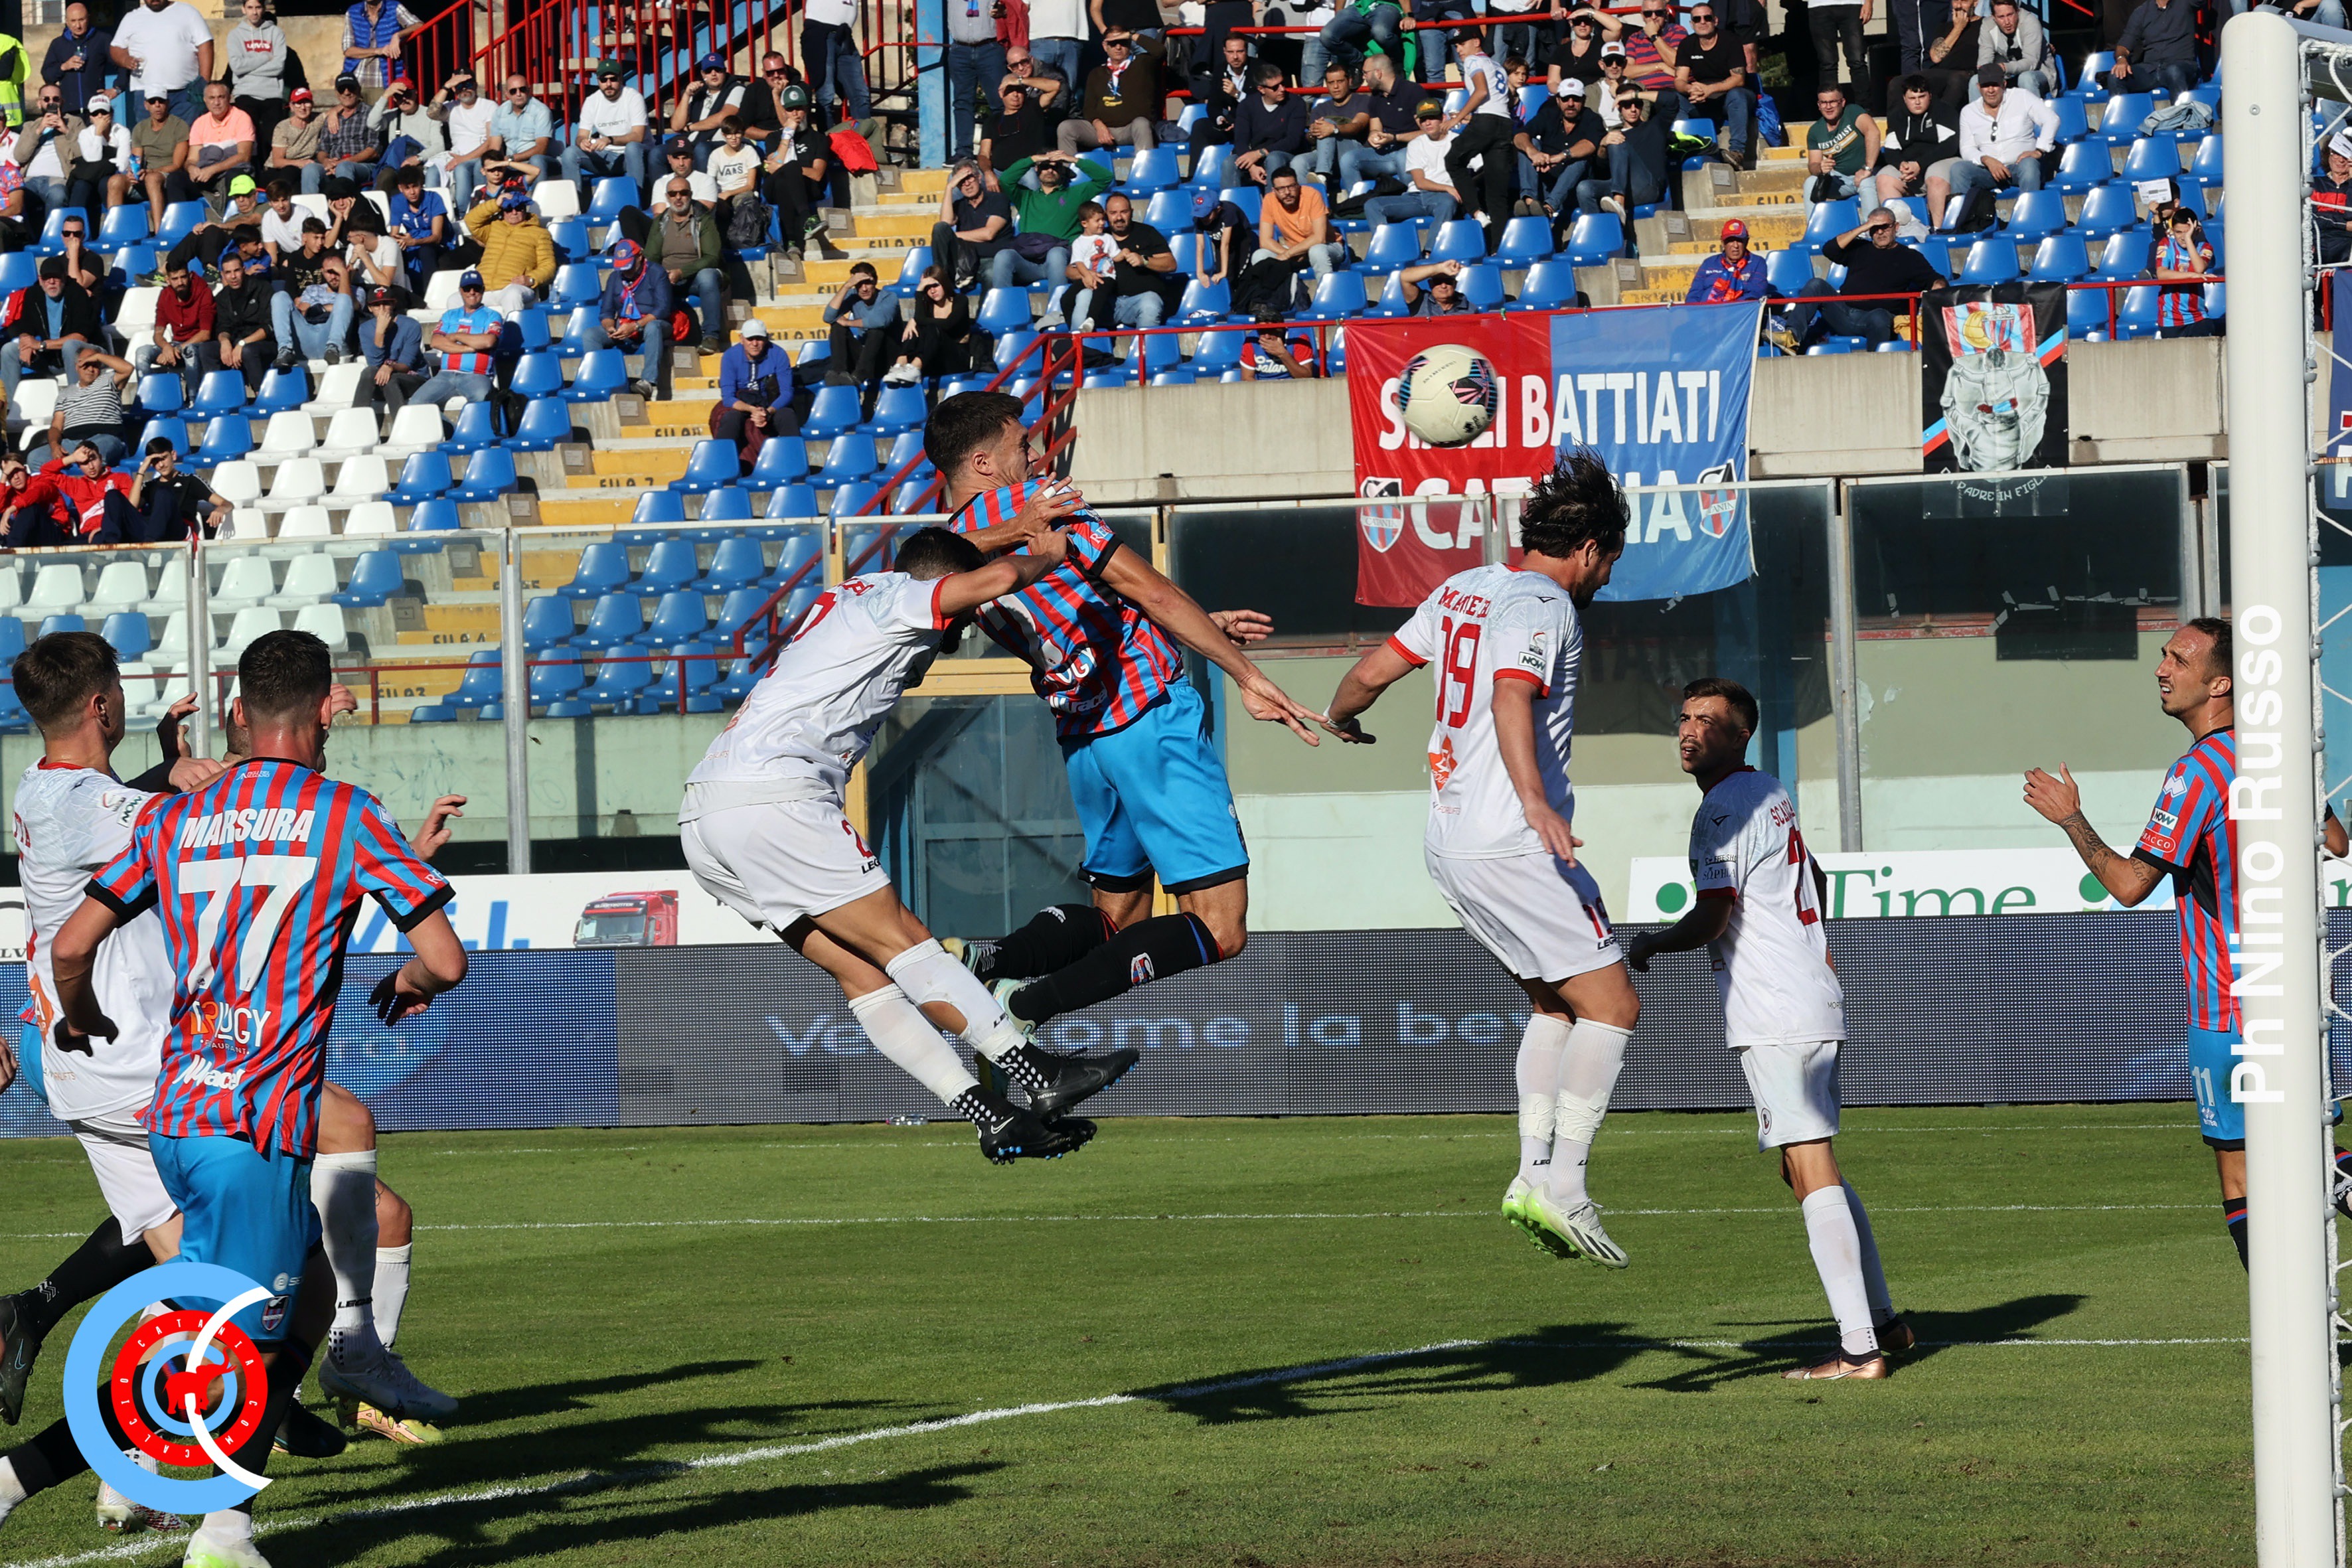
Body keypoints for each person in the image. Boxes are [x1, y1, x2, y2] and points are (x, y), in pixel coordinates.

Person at [0, 629, 468, 1568]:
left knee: (281, 1301)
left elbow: (75, 939)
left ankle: (201, 1505)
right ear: (322, 707)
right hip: (242, 1114)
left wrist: (75, 1010)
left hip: (176, 1100)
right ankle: (128, 1505)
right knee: (222, 1347)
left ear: (238, 712)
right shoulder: (338, 814)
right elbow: (444, 958)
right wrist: (412, 965)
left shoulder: (174, 823)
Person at [681, 525, 1101, 1160]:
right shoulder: (904, 600)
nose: (959, 630)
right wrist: (1050, 552)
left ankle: (992, 1117)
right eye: (960, 616)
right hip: (777, 797)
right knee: (906, 942)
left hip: (706, 813)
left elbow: (941, 551)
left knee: (863, 971)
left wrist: (1009, 530)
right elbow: (993, 578)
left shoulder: (860, 591)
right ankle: (1040, 1073)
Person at [1321, 449, 1638, 1267]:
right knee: (1613, 1005)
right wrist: (1535, 801)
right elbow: (1510, 693)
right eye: (1610, 561)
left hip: (1450, 840)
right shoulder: (1543, 604)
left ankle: (1532, 1173)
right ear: (1590, 546)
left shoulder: (1462, 588)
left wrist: (1341, 716)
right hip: (1511, 840)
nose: (1607, 578)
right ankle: (1565, 1185)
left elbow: (1370, 673)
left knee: (1555, 1004)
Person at [931, 391, 1330, 1040]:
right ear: (983, 462)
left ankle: (991, 959)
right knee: (1221, 927)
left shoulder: (948, 558)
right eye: (1021, 445)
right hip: (1149, 719)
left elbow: (1075, 613)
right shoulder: (1039, 505)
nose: (1034, 454)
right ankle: (1025, 1009)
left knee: (1120, 919)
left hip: (1085, 740)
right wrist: (1248, 675)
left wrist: (1205, 626)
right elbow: (1149, 590)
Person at [1624, 678, 1909, 1380]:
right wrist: (1815, 947)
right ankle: (1883, 1322)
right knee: (1806, 1165)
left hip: (1776, 1008)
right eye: (1684, 718)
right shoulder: (1768, 792)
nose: (1689, 731)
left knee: (1808, 1163)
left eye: (1708, 721)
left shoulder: (1723, 810)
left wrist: (1651, 944)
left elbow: (1712, 915)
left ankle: (1859, 1350)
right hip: (1803, 997)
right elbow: (1815, 875)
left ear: (1740, 734)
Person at [2023, 620, 2315, 1269]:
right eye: (2163, 656)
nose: (2161, 669)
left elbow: (2129, 885)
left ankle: (2281, 1319)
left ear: (2220, 683)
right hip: (2293, 996)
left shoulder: (2197, 772)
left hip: (2229, 1005)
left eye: (2178, 659)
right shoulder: (2282, 752)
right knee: (2310, 1150)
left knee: (2242, 1172)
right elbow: (2336, 841)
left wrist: (2070, 817)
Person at [1769, 207, 1939, 349]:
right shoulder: (1859, 248)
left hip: (1877, 317)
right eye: (1874, 228)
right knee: (1816, 284)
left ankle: (1877, 363)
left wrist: (1938, 287)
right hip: (1844, 312)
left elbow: (1934, 280)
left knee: (1879, 316)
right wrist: (1864, 227)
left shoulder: (1909, 257)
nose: (1880, 232)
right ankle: (1791, 337)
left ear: (1896, 227)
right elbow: (1829, 250)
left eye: (1885, 227)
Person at [996, 150, 1109, 309]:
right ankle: (1004, 312)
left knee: (1056, 253)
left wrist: (1073, 160)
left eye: (1055, 167)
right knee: (1003, 255)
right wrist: (1033, 159)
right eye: (1045, 166)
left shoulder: (1075, 194)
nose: (1050, 170)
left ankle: (1057, 312)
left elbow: (1105, 178)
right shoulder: (1026, 197)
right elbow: (1006, 180)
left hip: (1061, 261)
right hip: (1030, 262)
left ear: (1062, 171)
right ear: (1037, 169)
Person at [1946, 64, 2056, 226]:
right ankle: (1963, 224)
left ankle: (2029, 220)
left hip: (2019, 166)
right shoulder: (1969, 112)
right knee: (1958, 169)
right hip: (1988, 170)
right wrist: (1986, 160)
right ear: (1978, 87)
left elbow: (2051, 119)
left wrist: (2040, 150)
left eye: (1995, 85)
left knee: (2030, 166)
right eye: (1986, 86)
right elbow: (1967, 148)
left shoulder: (2022, 97)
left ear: (2004, 84)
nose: (1990, 90)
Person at [1439, 31, 1514, 246]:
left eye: (1462, 44)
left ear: (1476, 42)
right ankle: (1498, 248)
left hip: (1486, 120)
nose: (1459, 50)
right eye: (1456, 46)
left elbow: (1481, 92)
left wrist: (1458, 118)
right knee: (1497, 194)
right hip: (1504, 123)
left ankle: (1475, 211)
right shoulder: (1497, 65)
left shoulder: (1474, 61)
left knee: (1453, 160)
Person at [642, 179, 723, 355]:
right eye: (673, 194)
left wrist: (682, 272)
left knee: (708, 277)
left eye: (683, 193)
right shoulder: (661, 222)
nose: (678, 198)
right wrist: (661, 275)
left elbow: (712, 258)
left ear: (690, 195)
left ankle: (711, 336)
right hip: (668, 279)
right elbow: (651, 257)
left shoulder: (704, 220)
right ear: (667, 197)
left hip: (696, 278)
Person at [0, 258, 100, 401]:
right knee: (9, 350)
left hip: (84, 356)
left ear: (64, 278)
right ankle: (11, 408)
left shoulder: (77, 293)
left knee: (70, 346)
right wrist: (25, 341)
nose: (51, 282)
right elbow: (24, 325)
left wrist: (41, 345)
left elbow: (81, 337)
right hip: (50, 358)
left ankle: (78, 403)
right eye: (47, 278)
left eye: (56, 277)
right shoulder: (33, 294)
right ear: (41, 280)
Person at [1575, 88, 1682, 218]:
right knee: (1585, 188)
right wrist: (1603, 145)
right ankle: (1602, 227)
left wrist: (1633, 95)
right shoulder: (1613, 135)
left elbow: (1672, 100)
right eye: (1627, 105)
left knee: (1617, 141)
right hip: (1623, 187)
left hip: (1648, 187)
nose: (1633, 109)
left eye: (1637, 104)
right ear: (1619, 107)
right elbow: (1602, 167)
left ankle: (1619, 202)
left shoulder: (1655, 126)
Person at [1869, 74, 1961, 225]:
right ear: (1905, 99)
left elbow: (1949, 146)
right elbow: (1891, 149)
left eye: (1922, 97)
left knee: (1935, 177)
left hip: (1941, 160)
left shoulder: (1944, 111)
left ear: (1930, 96)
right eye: (1912, 98)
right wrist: (1902, 165)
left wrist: (1919, 164)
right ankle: (1901, 229)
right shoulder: (1897, 116)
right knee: (1884, 178)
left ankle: (1939, 229)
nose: (1917, 102)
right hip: (1910, 167)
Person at [589, 237, 672, 401]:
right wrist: (610, 327)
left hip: (652, 322)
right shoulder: (615, 278)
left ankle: (648, 382)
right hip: (624, 324)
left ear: (639, 257)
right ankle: (601, 380)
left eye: (629, 266)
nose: (626, 272)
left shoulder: (656, 273)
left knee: (653, 327)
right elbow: (606, 312)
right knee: (591, 335)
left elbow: (663, 309)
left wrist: (636, 326)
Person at [1672, 3, 1751, 172]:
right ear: (1692, 24)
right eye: (1697, 19)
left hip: (1730, 94)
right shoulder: (1687, 44)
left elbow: (1739, 79)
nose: (1703, 22)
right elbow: (1680, 80)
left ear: (1715, 21)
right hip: (1702, 96)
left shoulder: (1731, 41)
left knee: (1738, 95)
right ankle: (1683, 148)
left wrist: (1710, 89)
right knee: (1675, 99)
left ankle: (1737, 152)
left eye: (1707, 18)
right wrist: (1690, 89)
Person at [110, 0, 214, 126]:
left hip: (185, 94)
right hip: (146, 95)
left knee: (186, 136)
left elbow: (205, 45)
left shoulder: (188, 13)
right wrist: (125, 59)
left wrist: (204, 83)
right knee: (149, 137)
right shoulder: (131, 18)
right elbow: (116, 47)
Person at [1059, 31, 1160, 158]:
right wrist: (1098, 125)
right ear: (1105, 46)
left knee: (1142, 124)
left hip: (1130, 130)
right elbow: (1089, 108)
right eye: (1113, 43)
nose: (1118, 47)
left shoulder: (1142, 65)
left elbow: (1160, 51)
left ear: (1129, 44)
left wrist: (1130, 35)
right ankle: (1069, 169)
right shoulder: (1096, 73)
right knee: (1066, 127)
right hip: (1102, 130)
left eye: (1123, 43)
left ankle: (1146, 167)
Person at [759, 85, 830, 260]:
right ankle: (807, 219)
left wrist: (792, 170)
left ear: (806, 110)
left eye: (799, 108)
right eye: (790, 110)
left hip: (807, 187)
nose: (796, 114)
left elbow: (817, 174)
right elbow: (773, 168)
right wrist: (787, 135)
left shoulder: (819, 139)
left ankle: (791, 242)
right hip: (772, 186)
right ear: (784, 112)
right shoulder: (773, 138)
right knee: (789, 169)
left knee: (787, 178)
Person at [33, 346, 134, 469]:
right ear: (77, 367)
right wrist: (54, 446)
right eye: (86, 364)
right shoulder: (65, 393)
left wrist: (97, 356)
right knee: (35, 458)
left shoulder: (109, 380)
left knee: (94, 454)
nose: (91, 369)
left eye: (95, 365)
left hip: (104, 437)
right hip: (72, 442)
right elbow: (56, 427)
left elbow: (128, 368)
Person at [270, 218, 354, 366]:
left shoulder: (329, 257)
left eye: (323, 238)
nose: (320, 242)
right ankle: (285, 349)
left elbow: (348, 303)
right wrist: (303, 305)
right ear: (304, 238)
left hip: (330, 329)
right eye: (316, 238)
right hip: (305, 326)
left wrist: (322, 307)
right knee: (279, 296)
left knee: (344, 299)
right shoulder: (296, 260)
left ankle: (333, 347)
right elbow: (293, 295)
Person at [882, 265, 982, 387]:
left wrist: (916, 320)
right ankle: (900, 364)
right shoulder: (928, 306)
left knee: (930, 327)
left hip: (957, 360)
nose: (932, 291)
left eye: (935, 285)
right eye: (927, 288)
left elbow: (948, 324)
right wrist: (916, 317)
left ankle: (915, 367)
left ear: (944, 283)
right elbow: (920, 319)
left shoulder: (960, 300)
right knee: (914, 329)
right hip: (934, 360)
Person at [1364, 99, 1457, 228]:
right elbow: (1420, 182)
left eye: (1432, 118)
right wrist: (1447, 188)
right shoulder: (1415, 144)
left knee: (1447, 203)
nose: (1428, 123)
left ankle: (1433, 242)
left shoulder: (1458, 141)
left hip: (1443, 197)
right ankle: (1388, 241)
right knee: (1373, 205)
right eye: (1423, 120)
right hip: (1415, 197)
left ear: (1443, 118)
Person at [563, 58, 648, 196]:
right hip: (606, 156)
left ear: (620, 79)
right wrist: (582, 142)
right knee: (570, 153)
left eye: (613, 79)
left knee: (632, 148)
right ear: (598, 81)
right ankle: (572, 203)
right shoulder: (592, 101)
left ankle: (635, 199)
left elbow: (638, 136)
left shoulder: (633, 97)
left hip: (632, 156)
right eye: (604, 80)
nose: (608, 84)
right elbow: (581, 135)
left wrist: (609, 140)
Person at [1515, 76, 1597, 218]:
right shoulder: (1548, 115)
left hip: (1574, 191)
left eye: (1576, 99)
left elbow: (1590, 145)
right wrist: (1533, 153)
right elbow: (1519, 136)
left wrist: (1560, 157)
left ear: (1583, 100)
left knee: (1581, 158)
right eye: (1565, 99)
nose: (1570, 104)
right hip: (1547, 184)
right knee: (1529, 144)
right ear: (1558, 100)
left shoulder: (1592, 119)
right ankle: (1529, 203)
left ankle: (1549, 208)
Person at [463, 188, 554, 315]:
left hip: (514, 286)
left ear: (525, 210)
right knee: (454, 299)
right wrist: (495, 204)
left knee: (512, 294)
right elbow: (470, 220)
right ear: (503, 211)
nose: (514, 212)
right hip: (483, 288)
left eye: (519, 208)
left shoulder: (540, 233)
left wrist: (531, 279)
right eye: (509, 209)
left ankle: (516, 328)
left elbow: (548, 265)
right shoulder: (494, 227)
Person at [712, 315, 790, 461]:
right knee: (730, 419)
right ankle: (722, 463)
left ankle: (792, 462)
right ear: (742, 339)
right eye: (750, 339)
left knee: (787, 415)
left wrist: (768, 412)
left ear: (766, 339)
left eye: (759, 339)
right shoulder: (730, 356)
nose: (755, 344)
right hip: (742, 402)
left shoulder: (778, 354)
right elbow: (728, 397)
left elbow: (786, 393)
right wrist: (752, 410)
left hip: (768, 402)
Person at [1342, 51, 1425, 188]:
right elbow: (1375, 128)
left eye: (1366, 73)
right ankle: (1357, 199)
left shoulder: (1412, 91)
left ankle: (1414, 196)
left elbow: (1426, 132)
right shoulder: (1376, 97)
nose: (1363, 77)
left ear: (1378, 73)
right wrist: (1374, 136)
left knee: (1402, 157)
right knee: (1348, 159)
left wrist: (1395, 138)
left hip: (1413, 151)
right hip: (1388, 152)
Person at [163, 171, 267, 277]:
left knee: (212, 229)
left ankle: (212, 271)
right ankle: (166, 269)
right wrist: (201, 228)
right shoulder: (232, 218)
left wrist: (217, 226)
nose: (241, 200)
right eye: (237, 196)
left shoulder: (265, 208)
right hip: (229, 253)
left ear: (255, 195)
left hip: (251, 252)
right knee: (197, 235)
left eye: (245, 195)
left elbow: (251, 220)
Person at [1255, 165, 1344, 287]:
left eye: (1291, 187)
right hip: (1294, 250)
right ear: (1274, 190)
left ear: (1298, 186)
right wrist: (1291, 253)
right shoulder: (1269, 200)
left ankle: (1328, 293)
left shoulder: (1312, 195)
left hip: (1329, 246)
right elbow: (1265, 241)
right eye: (1281, 189)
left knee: (1317, 251)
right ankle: (1271, 296)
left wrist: (1288, 254)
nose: (1287, 192)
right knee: (1260, 255)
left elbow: (1319, 238)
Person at [125, 437, 230, 540]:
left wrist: (220, 509)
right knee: (116, 498)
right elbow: (131, 508)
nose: (161, 465)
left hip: (179, 529)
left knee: (163, 493)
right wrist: (141, 471)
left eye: (164, 458)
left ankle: (150, 543)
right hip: (156, 529)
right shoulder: (150, 485)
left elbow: (226, 504)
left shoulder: (190, 480)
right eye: (155, 461)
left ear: (173, 455)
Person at [823, 260, 901, 399]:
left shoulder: (889, 297)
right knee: (837, 326)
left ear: (875, 282)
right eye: (859, 284)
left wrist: (849, 323)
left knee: (876, 331)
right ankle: (839, 373)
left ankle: (859, 376)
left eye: (868, 283)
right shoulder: (854, 296)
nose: (864, 289)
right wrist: (846, 286)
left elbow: (880, 321)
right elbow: (828, 317)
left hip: (886, 357)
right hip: (866, 356)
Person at [138, 258, 214, 396]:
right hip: (176, 344)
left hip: (198, 345)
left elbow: (205, 334)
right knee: (142, 353)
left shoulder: (204, 292)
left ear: (189, 276)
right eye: (175, 279)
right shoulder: (165, 296)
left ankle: (194, 398)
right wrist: (166, 347)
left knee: (190, 350)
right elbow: (158, 333)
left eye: (183, 277)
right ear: (168, 280)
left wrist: (177, 349)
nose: (180, 282)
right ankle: (146, 398)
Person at [931, 157, 1011, 289]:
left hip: (991, 259)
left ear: (979, 178)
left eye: (969, 178)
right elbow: (945, 224)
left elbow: (989, 234)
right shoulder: (959, 205)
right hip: (964, 261)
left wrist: (952, 236)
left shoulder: (998, 199)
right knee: (939, 228)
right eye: (961, 182)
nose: (967, 184)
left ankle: (986, 305)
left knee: (991, 273)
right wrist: (949, 187)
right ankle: (942, 276)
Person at [353, 282, 424, 426]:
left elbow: (406, 365)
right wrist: (380, 332)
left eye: (386, 304)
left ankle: (402, 427)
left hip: (412, 378)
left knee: (391, 380)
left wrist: (390, 366)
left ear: (393, 304)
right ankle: (356, 425)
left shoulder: (411, 325)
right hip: (381, 380)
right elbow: (374, 364)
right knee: (368, 372)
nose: (382, 309)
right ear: (370, 308)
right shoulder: (365, 329)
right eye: (376, 305)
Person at [224, 0, 291, 152]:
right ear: (243, 9)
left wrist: (248, 69)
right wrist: (266, 57)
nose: (254, 12)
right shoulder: (235, 35)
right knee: (248, 141)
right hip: (245, 94)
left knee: (271, 142)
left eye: (258, 7)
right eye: (250, 8)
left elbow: (278, 67)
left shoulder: (276, 33)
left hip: (272, 94)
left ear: (264, 9)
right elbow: (237, 67)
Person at [174, 79, 256, 204]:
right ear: (205, 100)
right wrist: (191, 168)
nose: (216, 103)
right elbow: (192, 159)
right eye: (212, 98)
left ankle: (232, 215)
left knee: (235, 176)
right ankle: (182, 215)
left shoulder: (242, 118)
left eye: (221, 97)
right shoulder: (200, 123)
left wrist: (212, 170)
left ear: (229, 98)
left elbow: (244, 156)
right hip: (206, 175)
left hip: (231, 172)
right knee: (176, 179)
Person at [1230, 60, 1309, 186]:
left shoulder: (1296, 103)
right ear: (1261, 89)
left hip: (1284, 154)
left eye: (1283, 83)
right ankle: (1231, 198)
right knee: (1230, 163)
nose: (1282, 89)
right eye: (1275, 87)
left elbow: (1293, 140)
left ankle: (1272, 198)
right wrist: (1251, 165)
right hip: (1255, 158)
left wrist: (1260, 153)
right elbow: (1240, 140)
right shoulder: (1247, 105)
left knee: (1274, 158)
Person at [1575, 1, 1684, 93]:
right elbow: (1626, 71)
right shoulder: (1635, 38)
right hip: (1641, 94)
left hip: (1671, 91)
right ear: (1642, 15)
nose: (1653, 17)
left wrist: (1654, 36)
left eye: (1659, 13)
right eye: (1648, 14)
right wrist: (1660, 66)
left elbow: (1676, 62)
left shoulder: (1677, 31)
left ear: (1666, 14)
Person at [209, 248, 277, 393]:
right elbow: (223, 327)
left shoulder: (262, 288)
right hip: (237, 343)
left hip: (265, 344)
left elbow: (269, 326)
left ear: (244, 270)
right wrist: (225, 341)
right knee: (206, 350)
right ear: (222, 275)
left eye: (237, 271)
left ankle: (261, 395)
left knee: (248, 350)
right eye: (228, 273)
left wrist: (243, 343)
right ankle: (218, 394)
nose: (233, 276)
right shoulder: (222, 297)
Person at [1803, 80, 1879, 208]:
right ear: (1819, 105)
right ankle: (1815, 221)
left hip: (1868, 174)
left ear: (1842, 102)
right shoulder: (1815, 131)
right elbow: (1813, 165)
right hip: (1840, 180)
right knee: (1811, 182)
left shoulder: (1853, 112)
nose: (1828, 107)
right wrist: (1820, 168)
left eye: (1833, 102)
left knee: (1867, 185)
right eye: (1824, 103)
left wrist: (1867, 168)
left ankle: (1871, 222)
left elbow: (1873, 132)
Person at [9, 87, 84, 218]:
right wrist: (39, 130)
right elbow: (20, 156)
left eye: (56, 99)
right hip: (29, 179)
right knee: (16, 198)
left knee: (58, 196)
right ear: (39, 103)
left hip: (57, 179)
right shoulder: (30, 126)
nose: (51, 103)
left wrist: (66, 131)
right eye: (46, 99)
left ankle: (52, 231)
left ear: (62, 102)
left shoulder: (74, 123)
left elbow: (83, 154)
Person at [2148, 206, 2220, 338]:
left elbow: (2199, 268)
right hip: (2170, 318)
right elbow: (2162, 274)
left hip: (2198, 316)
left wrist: (2189, 240)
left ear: (2197, 231)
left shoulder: (2205, 247)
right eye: (2178, 232)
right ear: (2172, 231)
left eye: (2187, 232)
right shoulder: (2166, 244)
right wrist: (2193, 276)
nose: (2182, 237)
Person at [42, 5, 118, 126]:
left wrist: (116, 89)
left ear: (88, 19)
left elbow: (122, 64)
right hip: (69, 112)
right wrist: (64, 66)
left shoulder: (102, 39)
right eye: (73, 21)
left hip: (96, 110)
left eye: (81, 20)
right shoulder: (58, 44)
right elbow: (47, 75)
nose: (78, 26)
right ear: (67, 22)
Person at [802, 0, 871, 127]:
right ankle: (827, 138)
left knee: (861, 95)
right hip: (820, 33)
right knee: (826, 96)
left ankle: (862, 137)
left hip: (845, 36)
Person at [368, 73, 441, 192]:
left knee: (409, 177)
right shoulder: (392, 116)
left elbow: (439, 146)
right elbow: (372, 124)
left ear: (415, 93)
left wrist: (418, 158)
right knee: (385, 177)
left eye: (408, 95)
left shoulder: (430, 115)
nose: (404, 100)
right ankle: (379, 205)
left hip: (421, 163)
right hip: (396, 164)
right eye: (398, 96)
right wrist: (385, 95)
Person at [432, 74, 493, 216]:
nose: (464, 89)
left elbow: (491, 142)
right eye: (459, 86)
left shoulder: (489, 106)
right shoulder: (451, 107)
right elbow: (431, 113)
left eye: (468, 85)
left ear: (476, 85)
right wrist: (446, 86)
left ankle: (463, 214)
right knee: (433, 172)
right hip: (455, 155)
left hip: (479, 155)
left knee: (462, 169)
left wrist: (462, 159)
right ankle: (435, 215)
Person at [1185, 36, 1253, 165]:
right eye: (1230, 52)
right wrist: (1220, 119)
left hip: (1253, 125)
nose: (1235, 57)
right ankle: (1195, 173)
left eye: (1240, 51)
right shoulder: (1220, 70)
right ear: (1224, 52)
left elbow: (1261, 104)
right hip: (1230, 125)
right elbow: (1213, 104)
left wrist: (1237, 94)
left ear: (1246, 51)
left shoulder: (1259, 69)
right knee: (1200, 126)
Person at [2112, 0, 2198, 100]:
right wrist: (2121, 59)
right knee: (2116, 77)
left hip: (2181, 65)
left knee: (2174, 71)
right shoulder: (2142, 12)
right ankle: (2124, 110)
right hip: (2151, 69)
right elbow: (2124, 45)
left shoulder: (2186, 3)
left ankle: (2181, 110)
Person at [128, 90, 188, 232]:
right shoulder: (140, 128)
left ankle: (159, 231)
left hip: (167, 174)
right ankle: (119, 231)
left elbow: (177, 165)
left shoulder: (179, 125)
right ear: (146, 105)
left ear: (167, 103)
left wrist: (151, 171)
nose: (157, 105)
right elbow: (136, 159)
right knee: (115, 182)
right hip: (146, 174)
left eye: (161, 101)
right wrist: (133, 172)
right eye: (152, 102)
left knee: (152, 179)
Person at [386, 163, 447, 293]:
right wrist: (401, 241)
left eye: (415, 186)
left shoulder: (434, 199)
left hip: (439, 244)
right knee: (397, 251)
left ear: (421, 185)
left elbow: (437, 237)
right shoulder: (397, 201)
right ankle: (402, 294)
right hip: (413, 241)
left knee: (425, 251)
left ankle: (431, 294)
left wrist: (414, 242)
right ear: (400, 189)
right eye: (407, 188)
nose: (412, 192)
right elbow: (394, 234)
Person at [1305, 62, 1371, 183]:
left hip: (1355, 151)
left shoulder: (1363, 101)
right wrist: (1313, 133)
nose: (1336, 87)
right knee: (1299, 162)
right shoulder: (1320, 108)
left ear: (1349, 81)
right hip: (1326, 153)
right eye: (1331, 83)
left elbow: (1358, 126)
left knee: (1327, 125)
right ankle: (1312, 193)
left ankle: (1322, 175)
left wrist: (1334, 129)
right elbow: (1311, 139)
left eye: (1340, 81)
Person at [483, 73, 554, 185]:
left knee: (537, 160)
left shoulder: (541, 111)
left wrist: (511, 159)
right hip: (509, 163)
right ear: (507, 94)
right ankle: (486, 195)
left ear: (529, 90)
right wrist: (492, 163)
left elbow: (542, 148)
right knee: (482, 166)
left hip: (534, 161)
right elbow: (494, 147)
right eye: (513, 91)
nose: (519, 94)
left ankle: (539, 196)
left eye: (522, 89)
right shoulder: (500, 112)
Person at [1976, 0, 2055, 98]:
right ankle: (1983, 109)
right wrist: (1986, 69)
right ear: (1994, 18)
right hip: (2006, 75)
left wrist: (2004, 68)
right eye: (2001, 17)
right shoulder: (1987, 25)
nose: (2007, 22)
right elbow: (1984, 60)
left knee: (2026, 78)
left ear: (2017, 11)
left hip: (2040, 73)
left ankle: (2033, 108)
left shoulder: (2030, 22)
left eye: (2010, 15)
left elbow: (2031, 63)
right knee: (1976, 80)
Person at [341, 0, 419, 96]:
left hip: (383, 81)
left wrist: (398, 35)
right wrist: (379, 51)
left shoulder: (394, 7)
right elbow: (348, 51)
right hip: (356, 79)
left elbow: (418, 25)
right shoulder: (353, 11)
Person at [316, 73, 381, 187]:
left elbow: (374, 150)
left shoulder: (370, 114)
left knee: (344, 167)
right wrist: (326, 161)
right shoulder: (332, 118)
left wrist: (343, 162)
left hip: (362, 165)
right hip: (333, 165)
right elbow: (322, 149)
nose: (347, 93)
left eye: (351, 88)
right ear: (337, 94)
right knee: (311, 169)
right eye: (342, 89)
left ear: (358, 90)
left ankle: (346, 198)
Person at [982, 70, 1055, 171]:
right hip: (1000, 172)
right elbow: (984, 154)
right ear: (1001, 93)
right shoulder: (992, 121)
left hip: (1028, 170)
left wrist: (1020, 81)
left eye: (1019, 90)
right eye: (1010, 90)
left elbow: (1055, 86)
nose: (1015, 94)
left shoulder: (1033, 108)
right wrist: (988, 173)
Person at [1685, 216, 1766, 301]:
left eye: (1739, 241)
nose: (1735, 246)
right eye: (1731, 241)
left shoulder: (1757, 263)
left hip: (1740, 308)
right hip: (1707, 308)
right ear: (1723, 243)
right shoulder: (1709, 263)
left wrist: (1736, 286)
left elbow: (1758, 292)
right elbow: (1693, 296)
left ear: (1746, 242)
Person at [1237, 303, 1318, 378]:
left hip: (1293, 386)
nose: (1267, 336)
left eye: (1272, 331)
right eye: (1262, 331)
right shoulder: (1252, 340)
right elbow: (1247, 378)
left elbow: (1306, 377)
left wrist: (1283, 354)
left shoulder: (1298, 339)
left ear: (1281, 329)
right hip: (1263, 386)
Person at [268, 84, 325, 191]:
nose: (303, 107)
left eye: (307, 103)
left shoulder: (317, 120)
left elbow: (338, 108)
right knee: (291, 172)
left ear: (312, 105)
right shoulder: (283, 127)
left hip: (304, 169)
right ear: (292, 106)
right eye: (299, 103)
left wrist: (333, 115)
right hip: (280, 169)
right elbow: (277, 162)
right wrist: (301, 163)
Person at [1320, 0, 1404, 70]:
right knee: (1327, 35)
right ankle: (1359, 63)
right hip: (1360, 6)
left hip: (1387, 4)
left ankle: (1397, 61)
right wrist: (1339, 14)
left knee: (1380, 32)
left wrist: (1408, 14)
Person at [1397, 255, 1474, 313]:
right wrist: (1439, 268)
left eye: (1448, 282)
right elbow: (1404, 277)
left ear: (1455, 284)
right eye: (1438, 282)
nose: (1443, 286)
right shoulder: (1420, 301)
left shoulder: (1469, 308)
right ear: (1430, 284)